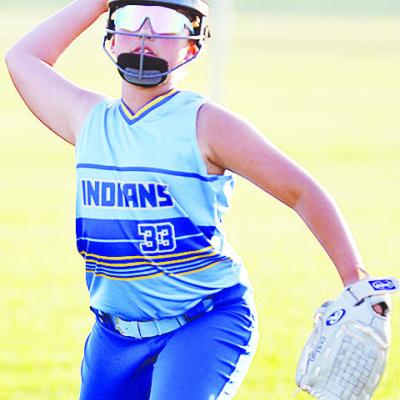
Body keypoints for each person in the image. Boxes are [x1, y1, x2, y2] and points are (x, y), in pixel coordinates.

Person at [5, 0, 384, 399]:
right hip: (113, 336)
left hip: (204, 323)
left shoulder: (206, 124)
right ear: (112, 39)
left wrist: (355, 280)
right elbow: (23, 57)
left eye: (167, 24)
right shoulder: (86, 118)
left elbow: (301, 191)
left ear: (191, 45)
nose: (147, 35)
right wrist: (100, 2)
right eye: (132, 21)